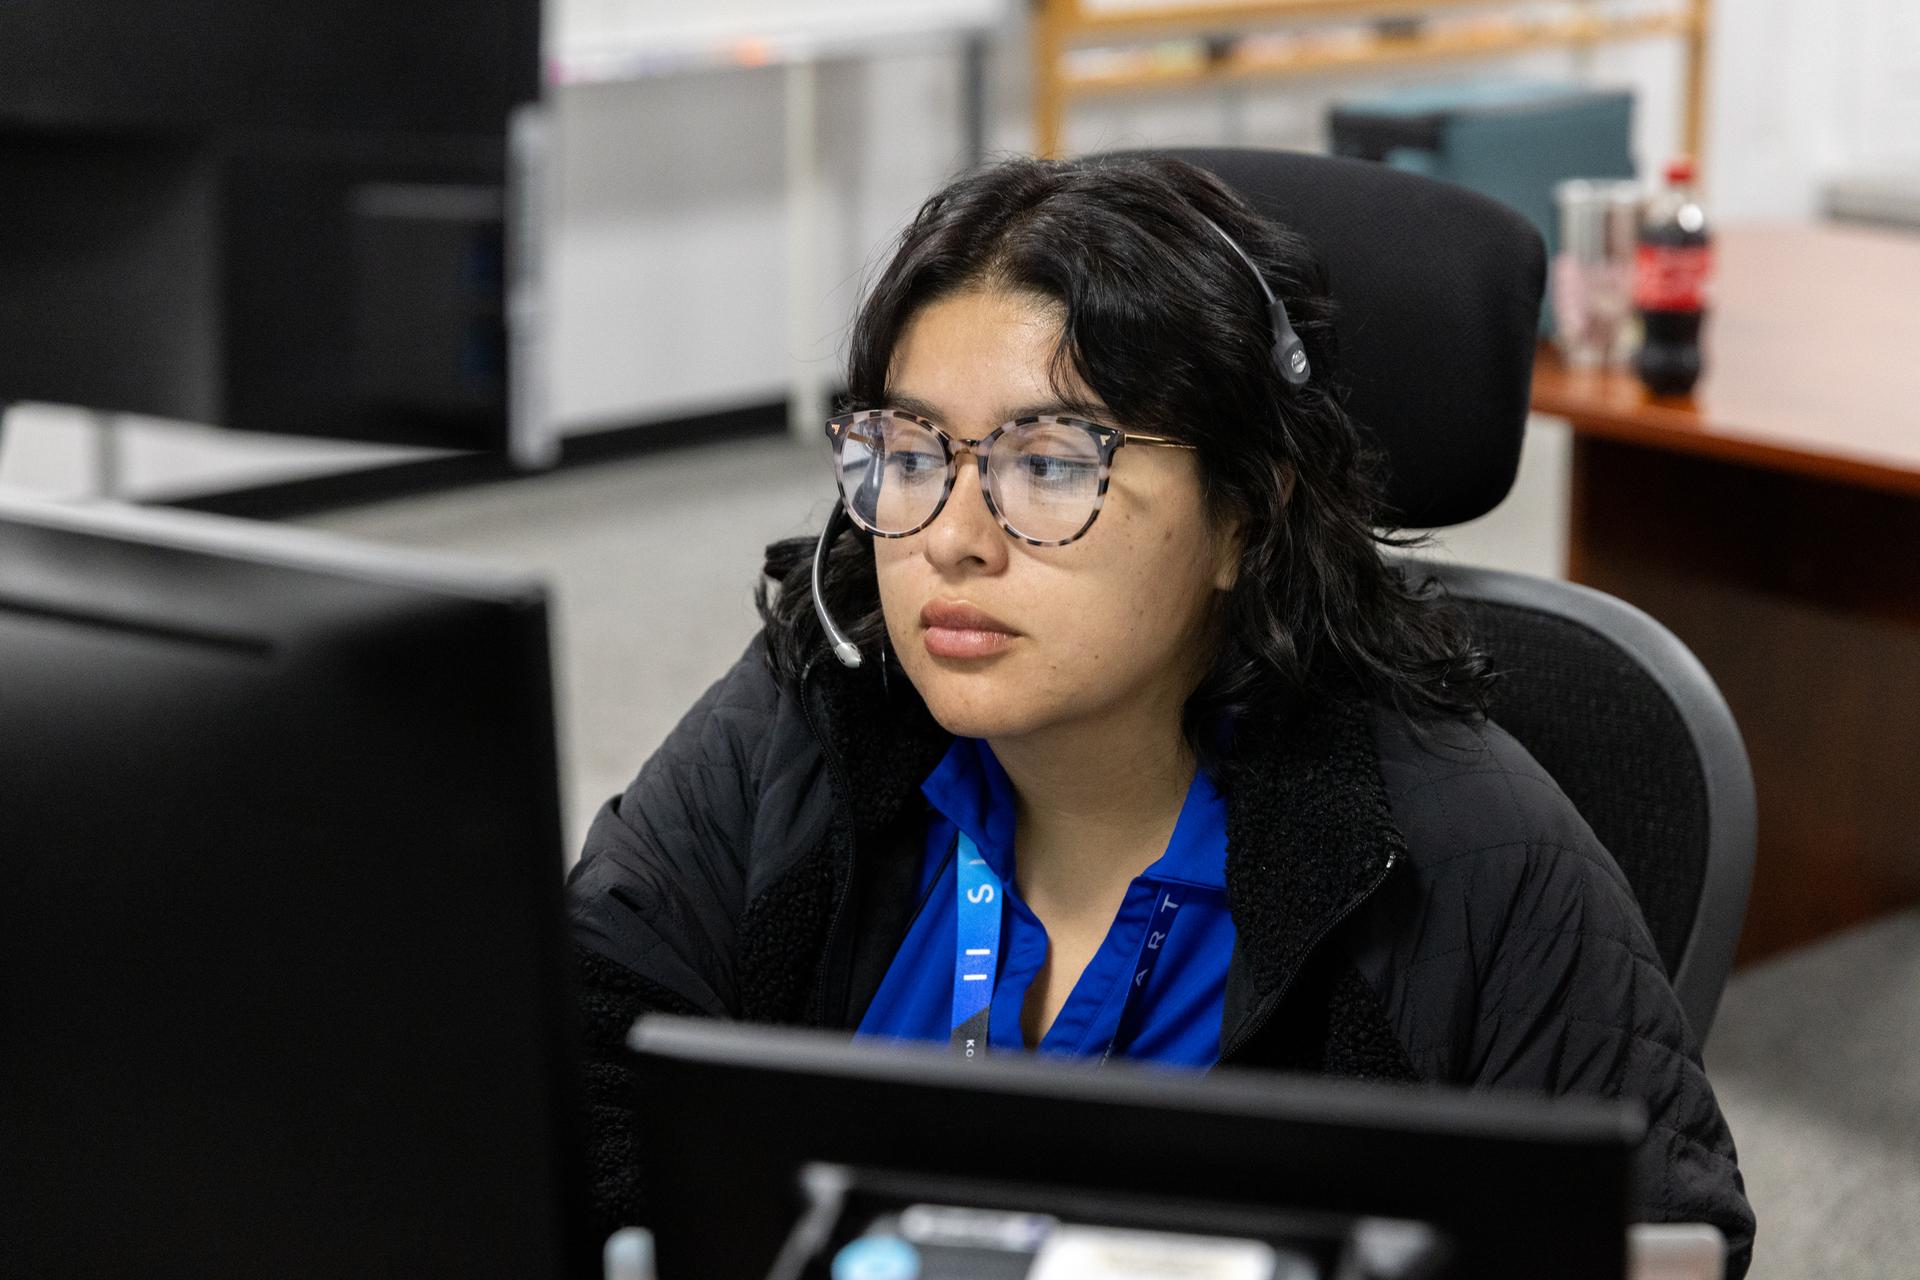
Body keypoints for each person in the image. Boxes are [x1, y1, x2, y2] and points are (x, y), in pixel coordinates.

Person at [565, 153, 1755, 1272]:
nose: (949, 540)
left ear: (1245, 512)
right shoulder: (810, 712)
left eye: (1048, 463)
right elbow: (570, 1067)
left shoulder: (1469, 846)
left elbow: (1644, 1238)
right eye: (911, 452)